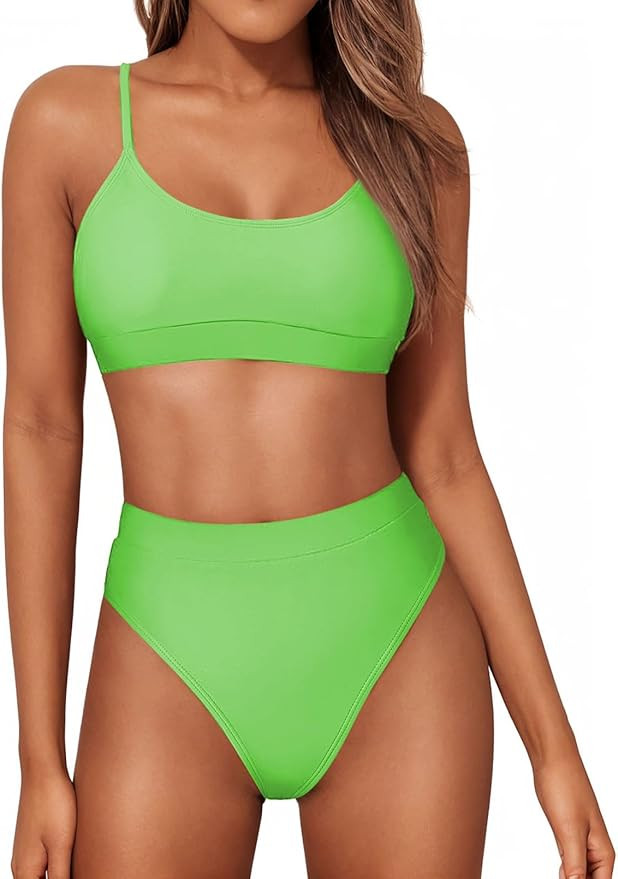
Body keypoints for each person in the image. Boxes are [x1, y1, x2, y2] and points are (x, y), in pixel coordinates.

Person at [3, 1, 614, 877]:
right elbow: (41, 427)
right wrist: (38, 756)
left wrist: (553, 746)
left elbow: (443, 453)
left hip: (397, 646)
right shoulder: (66, 124)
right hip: (166, 649)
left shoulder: (414, 146)